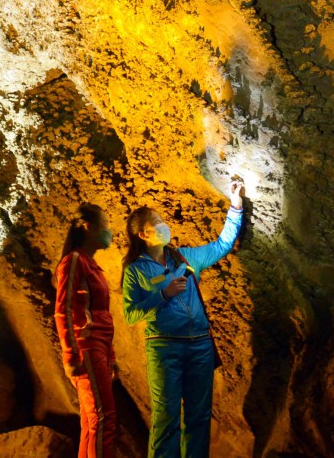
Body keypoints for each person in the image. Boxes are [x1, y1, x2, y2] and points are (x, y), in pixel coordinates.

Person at [122, 179, 245, 458]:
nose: (165, 224)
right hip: (165, 347)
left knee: (199, 419)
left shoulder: (183, 257)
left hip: (199, 345)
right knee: (166, 421)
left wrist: (235, 205)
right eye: (158, 222)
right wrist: (162, 295)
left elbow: (221, 245)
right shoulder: (135, 271)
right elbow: (130, 314)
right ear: (144, 234)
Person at [55, 203, 118, 458]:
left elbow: (103, 315)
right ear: (89, 228)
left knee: (92, 421)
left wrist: (111, 356)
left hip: (98, 348)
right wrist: (71, 355)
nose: (109, 231)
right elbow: (63, 310)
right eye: (106, 225)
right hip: (87, 347)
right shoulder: (73, 262)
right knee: (104, 419)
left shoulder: (92, 265)